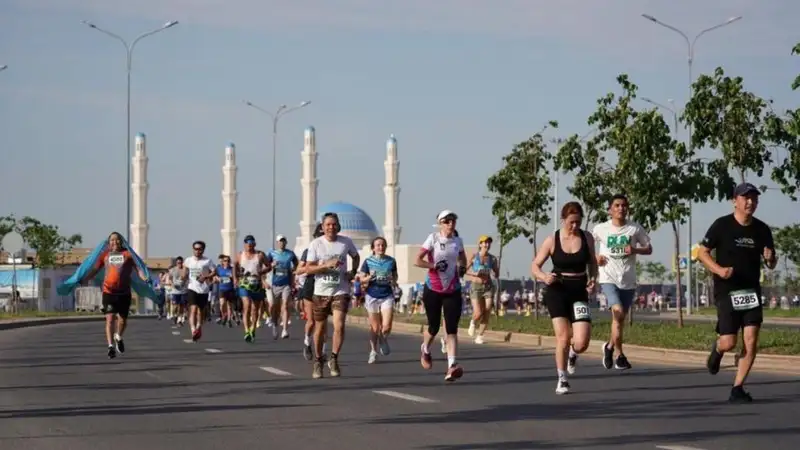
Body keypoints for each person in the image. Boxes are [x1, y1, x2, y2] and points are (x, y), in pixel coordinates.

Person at [699, 182, 776, 403]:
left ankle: (738, 387)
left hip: (751, 291)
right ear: (735, 200)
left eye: (754, 198)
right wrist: (719, 270)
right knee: (729, 342)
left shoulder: (762, 229)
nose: (750, 202)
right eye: (745, 198)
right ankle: (718, 350)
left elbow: (771, 262)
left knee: (751, 341)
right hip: (727, 291)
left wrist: (770, 258)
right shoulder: (721, 226)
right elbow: (702, 253)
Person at [531, 202, 598, 394]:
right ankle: (562, 378)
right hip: (558, 290)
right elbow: (535, 266)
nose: (575, 226)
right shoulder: (552, 240)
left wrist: (593, 279)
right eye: (571, 222)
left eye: (578, 222)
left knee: (581, 342)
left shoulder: (587, 238)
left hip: (579, 291)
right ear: (563, 220)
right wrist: (544, 277)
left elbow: (593, 263)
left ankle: (573, 354)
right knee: (562, 336)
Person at [592, 194, 652, 371]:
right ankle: (620, 355)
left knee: (619, 320)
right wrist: (595, 256)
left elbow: (649, 248)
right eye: (617, 205)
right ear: (610, 209)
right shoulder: (601, 228)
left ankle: (609, 347)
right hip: (608, 278)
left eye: (624, 205)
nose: (621, 208)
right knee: (617, 313)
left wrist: (634, 249)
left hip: (628, 280)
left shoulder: (634, 229)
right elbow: (586, 243)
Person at [304, 212, 360, 379]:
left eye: (334, 224)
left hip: (340, 290)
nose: (331, 227)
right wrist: (326, 265)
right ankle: (318, 359)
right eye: (328, 224)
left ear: (338, 226)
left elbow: (356, 257)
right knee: (320, 329)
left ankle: (334, 358)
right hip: (321, 292)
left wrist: (353, 272)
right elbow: (308, 269)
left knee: (339, 325)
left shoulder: (345, 242)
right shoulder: (316, 244)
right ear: (322, 227)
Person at [79, 232, 149, 358]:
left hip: (124, 293)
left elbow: (138, 269)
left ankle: (118, 336)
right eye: (112, 240)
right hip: (108, 292)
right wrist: (85, 278)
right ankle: (110, 346)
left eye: (117, 240)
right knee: (110, 319)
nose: (115, 242)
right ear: (108, 242)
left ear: (121, 242)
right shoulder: (105, 255)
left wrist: (144, 278)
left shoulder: (128, 255)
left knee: (122, 320)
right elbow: (95, 269)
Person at [415, 209, 467, 382]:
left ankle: (452, 365)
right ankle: (426, 349)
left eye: (453, 221)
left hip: (453, 289)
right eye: (447, 221)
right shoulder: (433, 239)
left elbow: (463, 259)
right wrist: (433, 266)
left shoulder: (458, 241)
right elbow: (417, 260)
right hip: (433, 289)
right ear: (440, 224)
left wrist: (462, 267)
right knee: (434, 327)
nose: (451, 224)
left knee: (451, 329)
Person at [358, 236, 398, 364]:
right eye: (378, 245)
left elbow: (395, 277)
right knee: (375, 327)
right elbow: (361, 279)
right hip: (372, 295)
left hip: (386, 295)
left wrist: (392, 280)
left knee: (386, 326)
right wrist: (369, 278)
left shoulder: (391, 261)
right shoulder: (368, 261)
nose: (381, 247)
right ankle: (373, 351)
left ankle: (383, 339)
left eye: (383, 245)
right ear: (373, 248)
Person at [297, 223, 327, 361]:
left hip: (326, 288)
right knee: (312, 322)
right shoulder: (308, 251)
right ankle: (307, 342)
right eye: (320, 235)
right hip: (311, 287)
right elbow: (299, 270)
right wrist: (315, 267)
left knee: (323, 322)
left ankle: (323, 351)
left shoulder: (332, 252)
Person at [234, 235, 271, 342]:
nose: (249, 246)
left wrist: (261, 272)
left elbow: (269, 266)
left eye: (251, 244)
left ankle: (253, 328)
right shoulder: (240, 255)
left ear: (254, 244)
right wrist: (235, 278)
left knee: (255, 309)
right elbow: (235, 265)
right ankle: (246, 331)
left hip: (257, 285)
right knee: (247, 306)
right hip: (244, 284)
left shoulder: (260, 255)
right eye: (247, 244)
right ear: (244, 245)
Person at [466, 235, 499, 344]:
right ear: (480, 244)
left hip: (488, 286)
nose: (486, 244)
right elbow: (463, 270)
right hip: (476, 287)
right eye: (484, 242)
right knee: (478, 312)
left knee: (488, 310)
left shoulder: (492, 258)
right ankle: (473, 322)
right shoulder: (474, 256)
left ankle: (480, 336)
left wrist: (495, 271)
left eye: (488, 242)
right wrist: (474, 273)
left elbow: (496, 273)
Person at [267, 234, 299, 339]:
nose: (282, 243)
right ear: (277, 242)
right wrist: (271, 265)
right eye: (280, 241)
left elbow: (297, 263)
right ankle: (275, 325)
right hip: (275, 284)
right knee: (274, 308)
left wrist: (293, 271)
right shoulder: (272, 253)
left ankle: (285, 330)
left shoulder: (290, 254)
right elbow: (265, 265)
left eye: (284, 241)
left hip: (286, 284)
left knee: (285, 305)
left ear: (286, 242)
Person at [183, 241, 216, 342]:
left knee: (200, 311)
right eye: (196, 249)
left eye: (200, 249)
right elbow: (185, 272)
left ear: (203, 250)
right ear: (193, 249)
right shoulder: (188, 260)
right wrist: (183, 277)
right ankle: (193, 330)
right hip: (192, 288)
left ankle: (198, 327)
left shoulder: (207, 261)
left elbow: (214, 271)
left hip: (204, 289)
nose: (197, 251)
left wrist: (206, 277)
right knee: (193, 309)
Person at [214, 254, 236, 327]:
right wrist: (218, 278)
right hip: (222, 289)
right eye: (225, 261)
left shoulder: (232, 269)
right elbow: (215, 275)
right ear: (222, 262)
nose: (227, 262)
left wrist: (233, 277)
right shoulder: (219, 268)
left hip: (230, 289)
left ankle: (229, 320)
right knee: (222, 304)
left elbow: (236, 276)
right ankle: (224, 315)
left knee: (229, 306)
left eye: (228, 261)